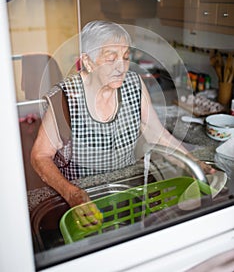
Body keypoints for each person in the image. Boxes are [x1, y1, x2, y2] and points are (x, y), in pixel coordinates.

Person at [31, 20, 215, 226]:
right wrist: (72, 194)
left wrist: (193, 163)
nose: (121, 67)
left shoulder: (134, 85)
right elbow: (40, 156)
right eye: (111, 59)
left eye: (126, 58)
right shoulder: (63, 99)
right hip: (83, 202)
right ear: (88, 62)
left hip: (126, 193)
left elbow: (157, 134)